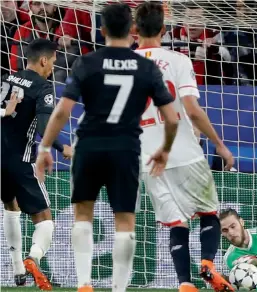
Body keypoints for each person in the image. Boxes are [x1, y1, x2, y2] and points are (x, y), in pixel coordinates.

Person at [35, 4, 179, 292]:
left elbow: (62, 111)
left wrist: (45, 148)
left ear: (101, 31)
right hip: (126, 148)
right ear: (133, 30)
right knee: (125, 219)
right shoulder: (147, 67)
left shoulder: (87, 63)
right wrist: (164, 148)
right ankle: (119, 289)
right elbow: (172, 117)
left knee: (83, 214)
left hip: (88, 145)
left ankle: (84, 283)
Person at [133, 3, 235, 292]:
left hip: (148, 157)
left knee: (176, 223)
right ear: (164, 30)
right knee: (208, 213)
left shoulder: (123, 66)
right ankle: (207, 263)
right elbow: (192, 109)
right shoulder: (178, 61)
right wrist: (219, 145)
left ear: (134, 30)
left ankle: (185, 284)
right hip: (185, 150)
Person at [1, 38, 73, 290]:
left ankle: (18, 272)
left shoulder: (8, 78)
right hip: (20, 161)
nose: (53, 66)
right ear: (43, 60)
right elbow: (44, 127)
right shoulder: (43, 87)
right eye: (53, 61)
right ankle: (33, 257)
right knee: (44, 219)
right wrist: (62, 146)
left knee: (11, 207)